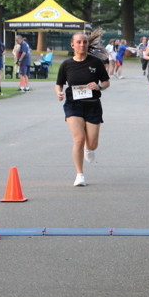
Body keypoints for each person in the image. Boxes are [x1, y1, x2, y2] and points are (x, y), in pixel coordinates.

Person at [55, 32, 110, 187]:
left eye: (84, 42)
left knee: (92, 144)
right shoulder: (66, 64)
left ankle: (89, 148)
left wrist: (99, 86)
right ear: (72, 45)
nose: (82, 45)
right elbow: (59, 84)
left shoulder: (96, 62)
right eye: (78, 42)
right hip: (73, 105)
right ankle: (79, 174)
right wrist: (59, 92)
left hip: (93, 105)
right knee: (78, 139)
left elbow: (106, 82)